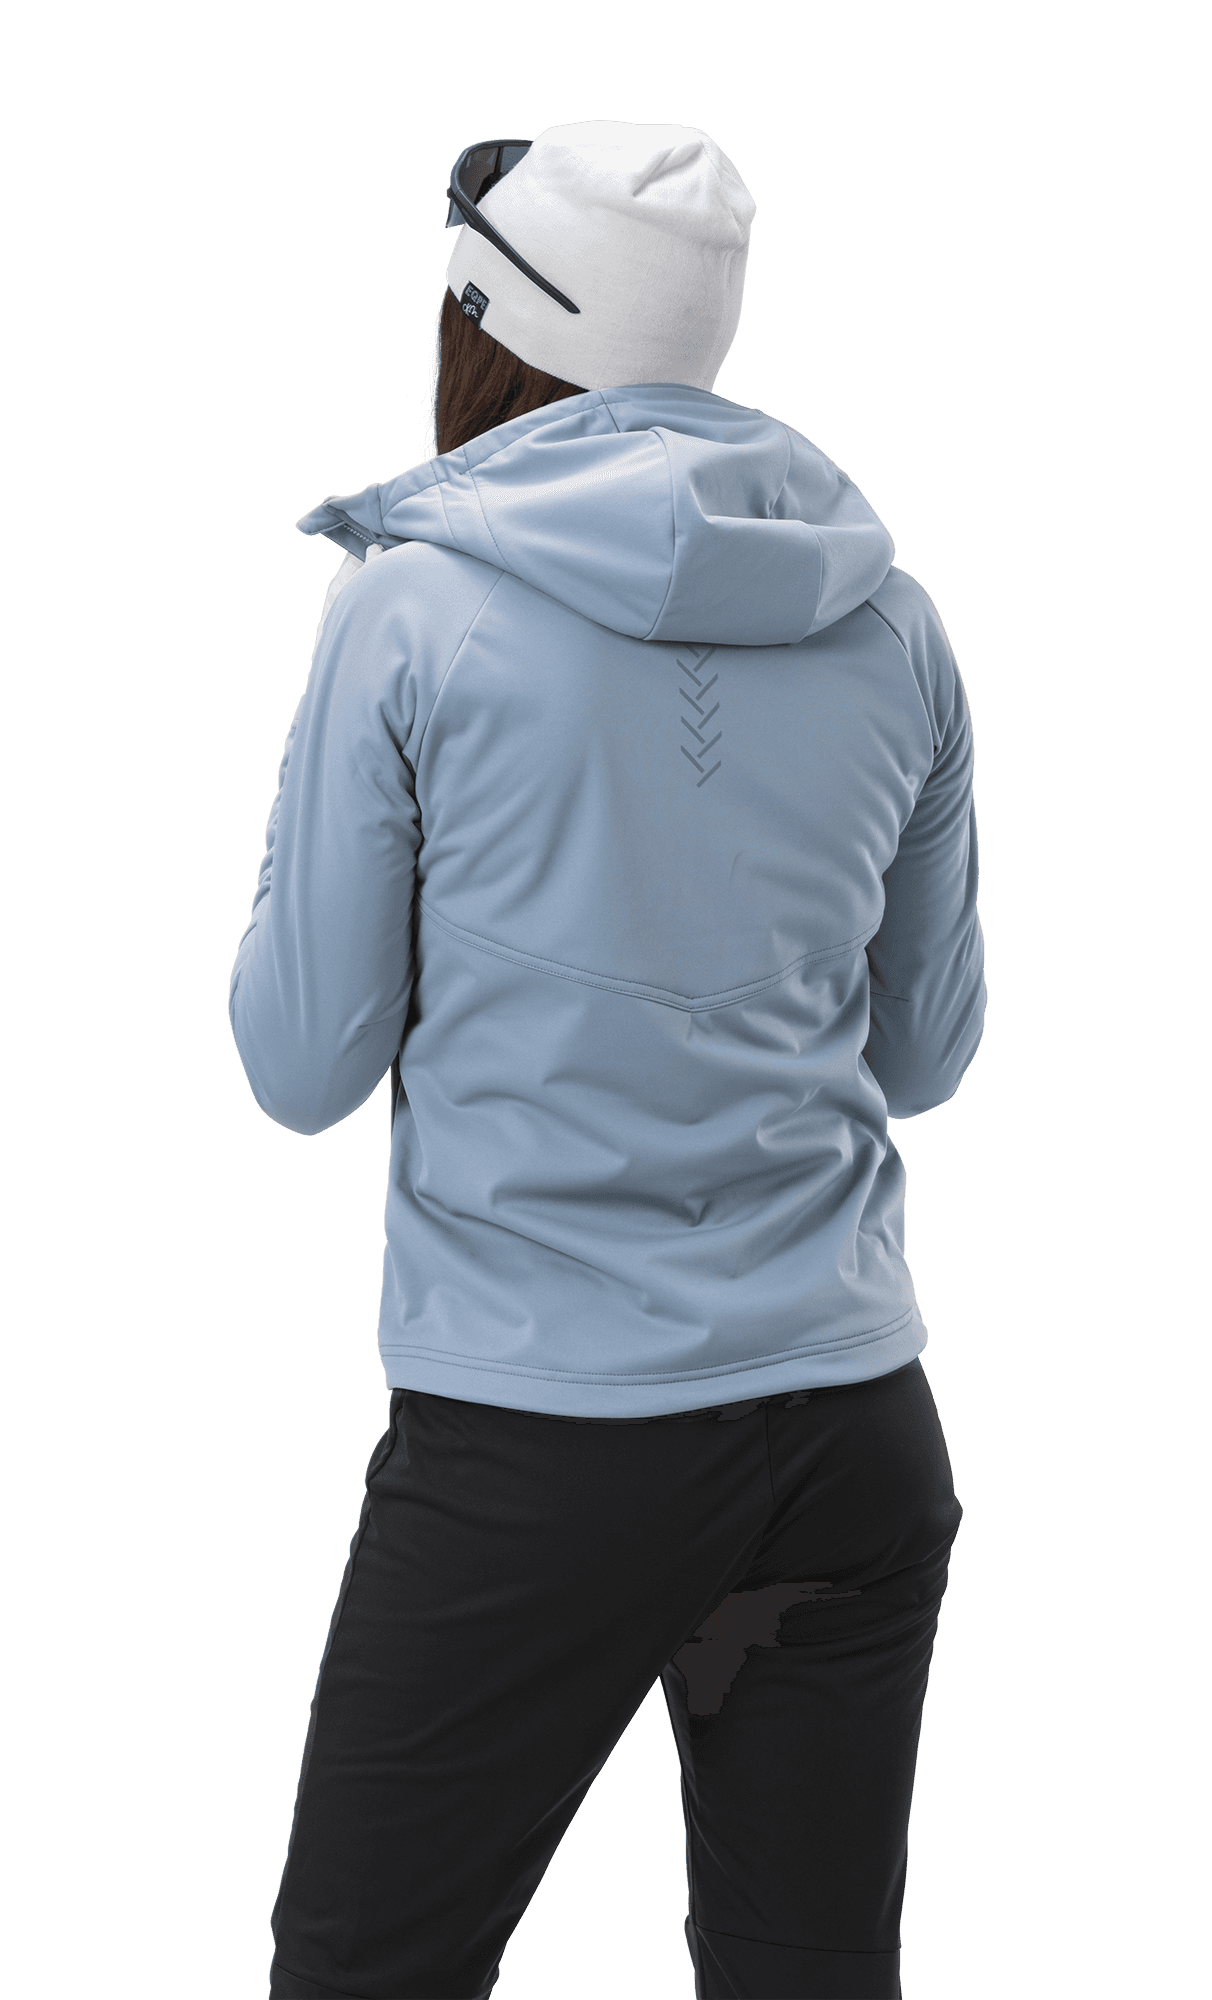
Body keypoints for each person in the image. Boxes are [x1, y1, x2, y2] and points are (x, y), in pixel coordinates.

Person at [229, 120, 986, 2000]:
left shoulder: (407, 605)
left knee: (360, 1972)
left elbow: (301, 1064)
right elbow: (930, 1052)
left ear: (484, 325)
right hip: (852, 1429)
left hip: (542, 1445)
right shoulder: (897, 618)